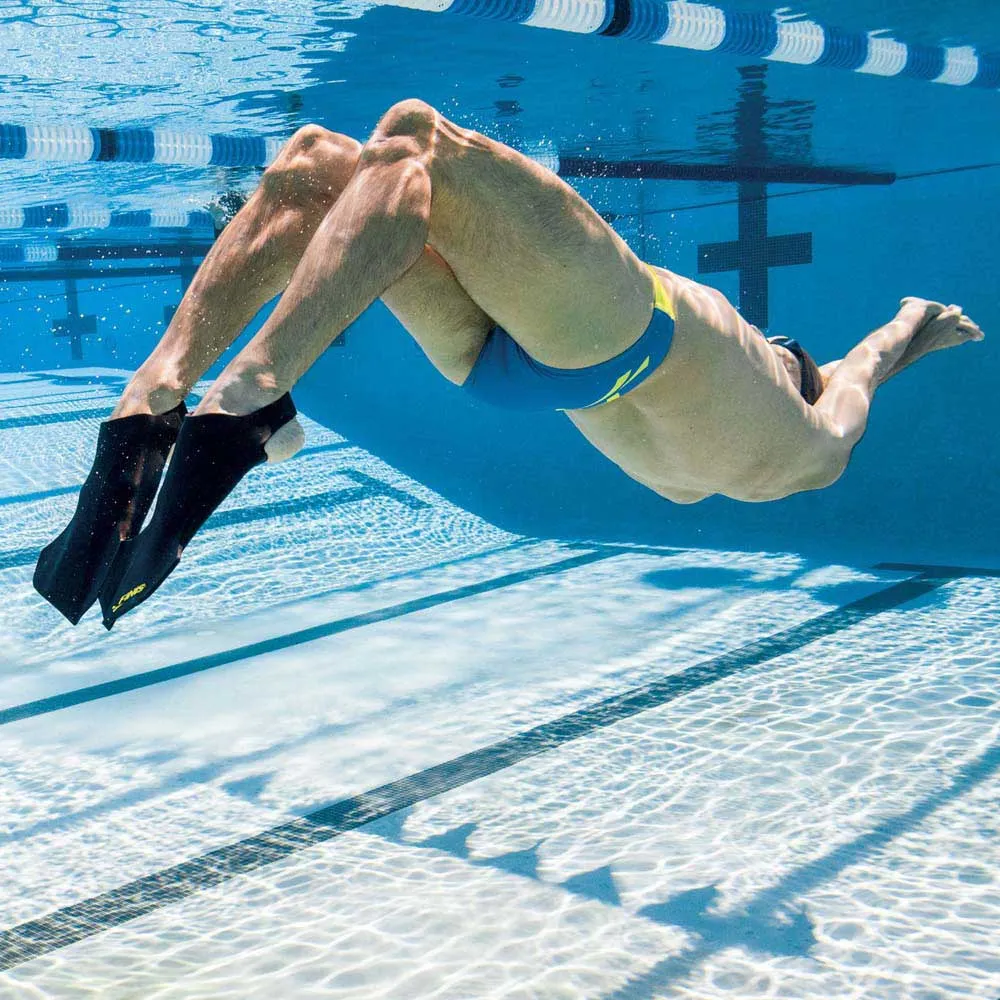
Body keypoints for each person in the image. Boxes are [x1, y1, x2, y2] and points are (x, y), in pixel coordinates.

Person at [32, 101, 985, 630]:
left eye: (789, 354)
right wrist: (919, 335)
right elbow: (863, 367)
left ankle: (223, 393)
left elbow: (863, 366)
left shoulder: (814, 440)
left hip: (611, 337)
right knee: (325, 162)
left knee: (417, 136)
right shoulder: (766, 462)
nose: (777, 344)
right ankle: (180, 405)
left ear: (795, 375)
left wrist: (914, 319)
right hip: (533, 368)